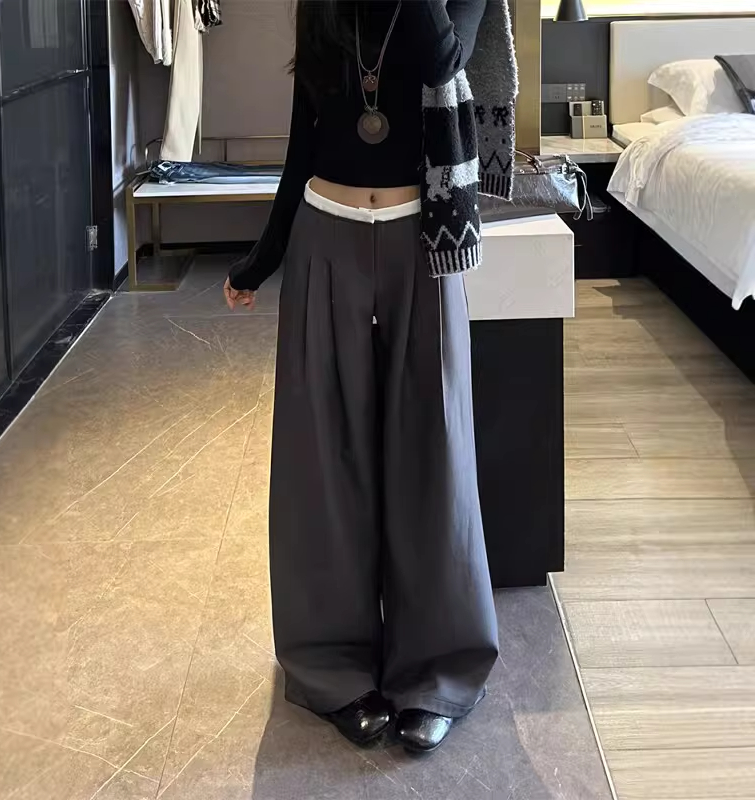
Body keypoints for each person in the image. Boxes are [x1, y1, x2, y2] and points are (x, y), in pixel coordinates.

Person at [225, 0, 503, 754]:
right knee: (323, 459)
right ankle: (331, 667)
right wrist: (262, 258)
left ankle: (437, 671)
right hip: (326, 236)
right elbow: (304, 138)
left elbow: (443, 57)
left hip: (425, 242)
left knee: (434, 457)